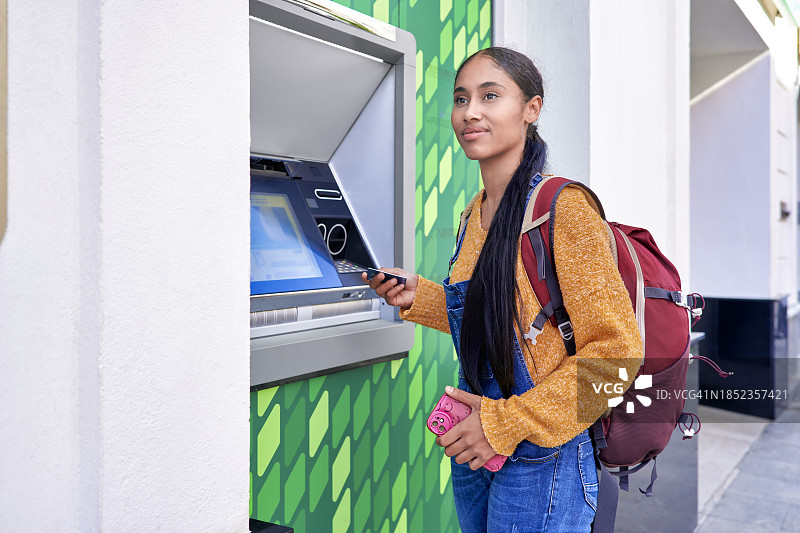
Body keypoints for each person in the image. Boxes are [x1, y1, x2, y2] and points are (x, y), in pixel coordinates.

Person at [362, 47, 643, 533]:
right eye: (461, 98)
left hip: (541, 455)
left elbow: (617, 358)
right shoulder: (475, 213)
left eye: (490, 96)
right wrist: (421, 297)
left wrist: (504, 426)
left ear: (531, 110)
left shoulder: (564, 208)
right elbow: (494, 314)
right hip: (476, 444)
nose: (470, 112)